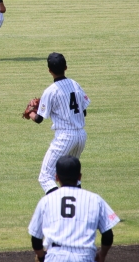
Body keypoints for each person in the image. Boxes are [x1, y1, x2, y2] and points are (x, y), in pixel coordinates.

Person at [28, 156, 120, 262]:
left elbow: (36, 240)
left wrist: (42, 258)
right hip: (84, 259)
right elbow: (108, 235)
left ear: (56, 177)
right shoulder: (95, 199)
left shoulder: (46, 201)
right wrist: (102, 254)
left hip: (56, 259)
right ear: (79, 177)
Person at [25, 52, 90, 194]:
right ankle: (77, 203)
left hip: (65, 138)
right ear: (66, 67)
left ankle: (57, 203)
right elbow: (83, 112)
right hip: (81, 137)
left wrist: (30, 112)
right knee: (71, 175)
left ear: (49, 70)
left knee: (45, 177)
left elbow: (39, 119)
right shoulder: (75, 84)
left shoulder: (50, 91)